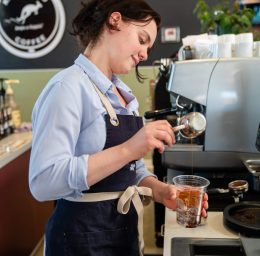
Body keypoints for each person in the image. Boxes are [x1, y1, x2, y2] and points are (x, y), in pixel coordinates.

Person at [29, 1, 208, 255]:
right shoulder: (67, 88)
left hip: (123, 234)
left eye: (149, 46)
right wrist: (130, 147)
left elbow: (131, 172)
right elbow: (43, 182)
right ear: (115, 21)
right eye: (142, 39)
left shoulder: (123, 95)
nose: (145, 54)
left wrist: (161, 192)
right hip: (80, 239)